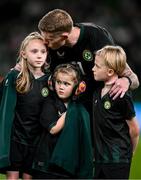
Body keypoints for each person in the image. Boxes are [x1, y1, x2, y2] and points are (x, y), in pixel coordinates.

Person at [0, 32, 50, 180]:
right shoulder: (15, 76)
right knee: (13, 177)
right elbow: (5, 110)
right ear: (24, 53)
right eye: (34, 51)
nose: (39, 55)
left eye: (43, 51)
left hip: (36, 142)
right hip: (15, 140)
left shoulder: (50, 80)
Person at [32, 63, 93, 179]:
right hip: (46, 165)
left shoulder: (79, 108)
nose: (61, 87)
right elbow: (53, 129)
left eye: (66, 84)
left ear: (76, 88)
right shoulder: (49, 103)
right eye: (59, 82)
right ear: (53, 83)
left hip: (66, 167)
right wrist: (71, 110)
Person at [92, 45, 140, 179]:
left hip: (117, 160)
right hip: (99, 159)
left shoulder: (122, 96)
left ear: (110, 71)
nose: (93, 69)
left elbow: (134, 129)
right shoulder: (96, 93)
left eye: (97, 66)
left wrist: (130, 153)